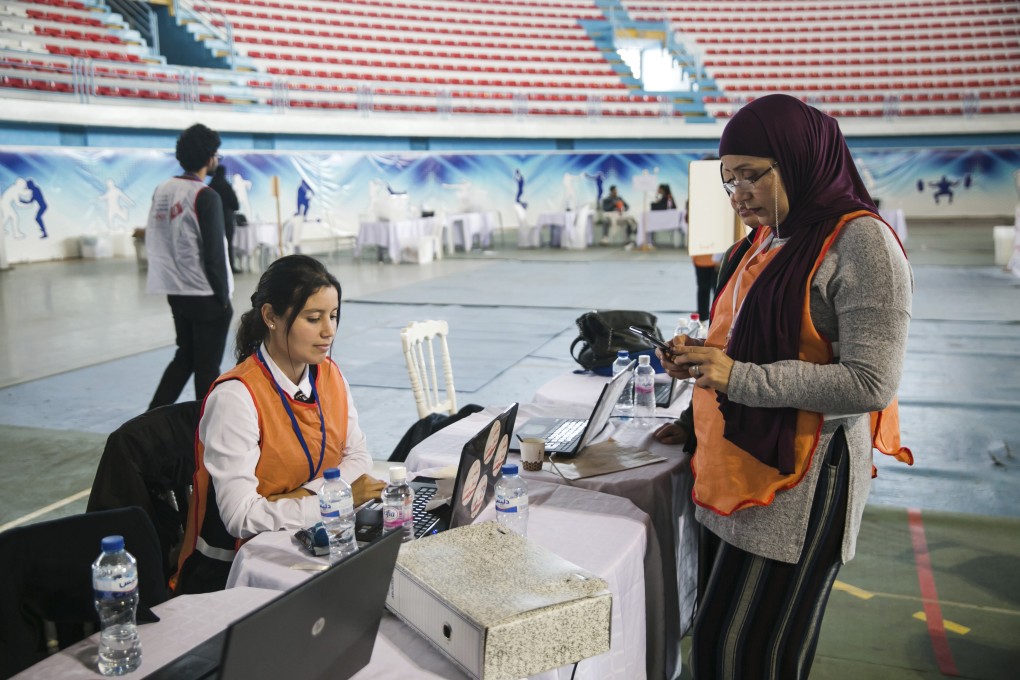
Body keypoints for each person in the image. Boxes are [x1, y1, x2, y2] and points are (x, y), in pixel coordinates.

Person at [656, 94, 913, 679]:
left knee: (751, 654)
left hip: (801, 481)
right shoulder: (758, 243)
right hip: (733, 462)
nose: (738, 195)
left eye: (753, 175)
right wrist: (700, 370)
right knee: (718, 643)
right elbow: (738, 343)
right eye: (729, 180)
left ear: (800, 160)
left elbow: (870, 382)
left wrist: (736, 377)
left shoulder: (862, 244)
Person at [175, 255, 387, 593]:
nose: (329, 331)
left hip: (311, 539)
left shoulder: (330, 375)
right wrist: (338, 500)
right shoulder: (236, 398)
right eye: (313, 318)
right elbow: (241, 518)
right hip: (236, 572)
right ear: (271, 317)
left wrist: (303, 494)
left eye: (333, 316)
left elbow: (359, 459)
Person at [145, 124, 233, 411]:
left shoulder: (163, 189)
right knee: (207, 368)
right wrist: (223, 298)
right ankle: (205, 429)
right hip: (204, 293)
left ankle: (151, 419)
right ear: (210, 158)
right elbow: (214, 255)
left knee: (185, 358)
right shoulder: (205, 195)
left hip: (175, 289)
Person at [209, 164, 241, 274]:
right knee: (228, 244)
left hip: (212, 220)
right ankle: (230, 266)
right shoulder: (227, 186)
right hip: (227, 219)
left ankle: (216, 267)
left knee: (214, 244)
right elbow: (236, 205)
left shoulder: (210, 186)